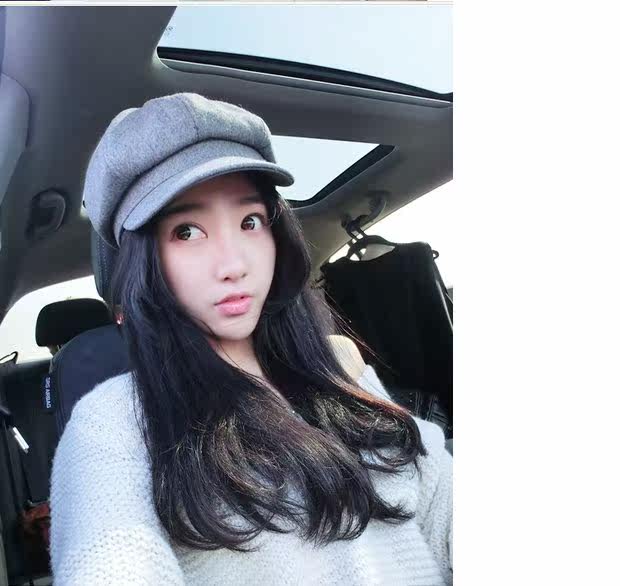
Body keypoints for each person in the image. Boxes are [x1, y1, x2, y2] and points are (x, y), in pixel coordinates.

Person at [49, 93, 452, 585]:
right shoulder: (114, 422)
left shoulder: (341, 369)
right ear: (144, 263)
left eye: (250, 222)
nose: (234, 264)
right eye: (187, 231)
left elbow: (440, 496)